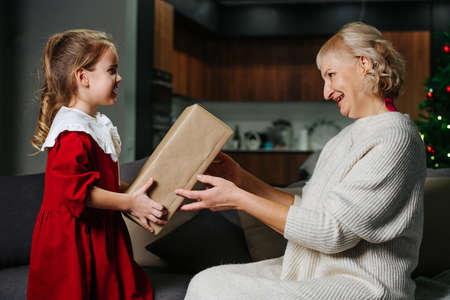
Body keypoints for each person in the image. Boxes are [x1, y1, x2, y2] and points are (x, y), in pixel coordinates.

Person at [175, 22, 426, 299]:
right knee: (207, 281)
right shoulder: (341, 139)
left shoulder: (395, 138)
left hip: (363, 284)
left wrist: (238, 199)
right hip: (314, 270)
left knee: (212, 290)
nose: (326, 92)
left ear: (364, 64)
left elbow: (332, 233)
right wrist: (241, 179)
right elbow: (309, 210)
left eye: (331, 75)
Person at [27, 29, 167, 300]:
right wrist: (130, 203)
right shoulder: (71, 133)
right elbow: (78, 192)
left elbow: (97, 181)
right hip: (73, 238)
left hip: (96, 229)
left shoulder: (92, 125)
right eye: (112, 70)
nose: (119, 77)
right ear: (83, 77)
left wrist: (129, 191)